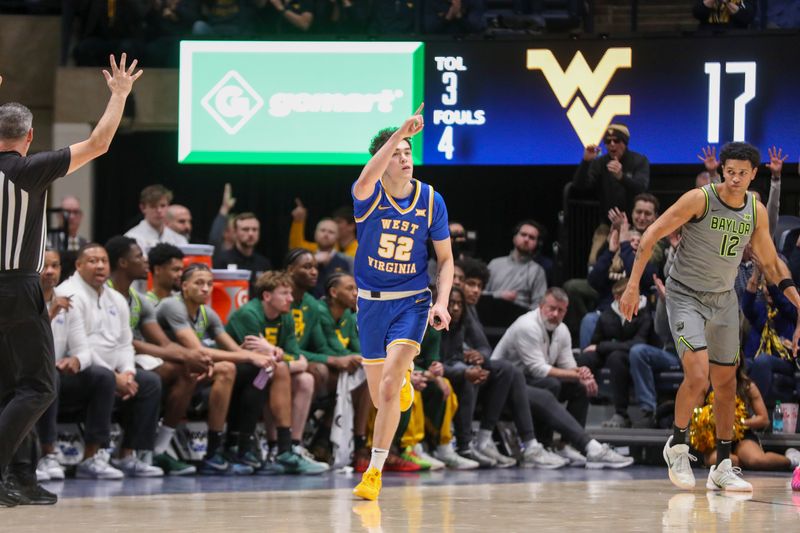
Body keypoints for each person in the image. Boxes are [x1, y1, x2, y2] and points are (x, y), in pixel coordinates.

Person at [0, 55, 141, 507]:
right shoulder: (28, 169)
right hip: (16, 287)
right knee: (39, 387)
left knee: (11, 389)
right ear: (30, 137)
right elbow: (99, 143)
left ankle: (20, 478)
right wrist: (119, 93)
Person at [621, 142, 800, 493]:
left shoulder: (755, 210)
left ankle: (722, 466)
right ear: (722, 171)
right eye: (729, 172)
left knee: (727, 384)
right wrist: (631, 285)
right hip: (685, 294)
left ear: (754, 174)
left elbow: (770, 261)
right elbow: (652, 234)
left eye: (742, 173)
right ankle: (677, 446)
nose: (735, 178)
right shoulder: (699, 199)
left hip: (723, 299)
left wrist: (796, 299)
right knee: (698, 375)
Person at [351, 105, 454, 501]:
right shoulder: (367, 194)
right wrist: (397, 133)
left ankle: (374, 472)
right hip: (371, 305)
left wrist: (441, 303)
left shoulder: (430, 200)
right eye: (396, 153)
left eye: (408, 152)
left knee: (391, 383)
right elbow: (366, 176)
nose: (405, 158)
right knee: (383, 396)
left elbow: (445, 260)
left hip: (412, 302)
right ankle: (403, 380)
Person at [105, 236, 237, 476]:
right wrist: (189, 355)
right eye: (139, 257)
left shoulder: (138, 300)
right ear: (123, 263)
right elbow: (126, 342)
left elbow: (163, 343)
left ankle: (159, 449)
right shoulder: (107, 295)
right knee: (155, 379)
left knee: (186, 371)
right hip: (103, 358)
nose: (144, 261)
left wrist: (192, 358)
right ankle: (125, 451)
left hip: (131, 358)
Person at [491, 288, 634, 468]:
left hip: (529, 380)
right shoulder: (526, 326)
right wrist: (576, 374)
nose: (555, 314)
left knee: (579, 388)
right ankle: (544, 444)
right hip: (503, 386)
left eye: (560, 310)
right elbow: (538, 369)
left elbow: (568, 365)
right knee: (550, 384)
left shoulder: (562, 330)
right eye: (551, 308)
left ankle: (565, 446)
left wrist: (583, 375)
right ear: (541, 306)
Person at [59, 243, 164, 478]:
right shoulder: (69, 294)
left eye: (104, 261)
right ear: (78, 265)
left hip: (111, 372)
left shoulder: (115, 298)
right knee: (104, 378)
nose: (100, 266)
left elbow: (125, 343)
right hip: (74, 371)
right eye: (93, 261)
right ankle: (91, 458)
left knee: (150, 382)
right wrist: (115, 377)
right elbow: (80, 346)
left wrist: (128, 373)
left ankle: (127, 455)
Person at [36, 249, 123, 481]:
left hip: (57, 375)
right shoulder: (21, 302)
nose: (50, 272)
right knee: (49, 376)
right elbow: (25, 345)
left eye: (55, 266)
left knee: (103, 377)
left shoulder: (66, 301)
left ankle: (91, 457)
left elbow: (84, 350)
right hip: (25, 376)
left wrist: (76, 360)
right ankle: (47, 455)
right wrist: (50, 314)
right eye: (44, 266)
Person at [699, 359, 799, 472]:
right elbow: (695, 414)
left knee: (756, 460)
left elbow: (764, 419)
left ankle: (792, 460)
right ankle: (741, 462)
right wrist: (709, 421)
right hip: (714, 438)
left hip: (741, 435)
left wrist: (738, 423)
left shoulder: (747, 385)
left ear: (739, 362)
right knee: (722, 460)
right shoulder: (706, 384)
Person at [572, 124, 650, 225]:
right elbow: (579, 186)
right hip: (607, 223)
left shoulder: (639, 160)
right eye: (608, 141)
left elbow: (641, 188)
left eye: (616, 140)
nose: (612, 144)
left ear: (624, 143)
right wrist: (585, 162)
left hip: (635, 223)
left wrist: (621, 177)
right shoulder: (600, 163)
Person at [484, 220, 548, 310]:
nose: (526, 239)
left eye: (532, 237)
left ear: (537, 244)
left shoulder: (538, 271)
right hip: (489, 313)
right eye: (523, 235)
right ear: (514, 238)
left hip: (520, 316)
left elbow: (538, 306)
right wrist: (499, 295)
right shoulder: (495, 264)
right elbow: (479, 294)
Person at [213, 212, 272, 295]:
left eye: (254, 229)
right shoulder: (221, 260)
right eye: (245, 229)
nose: (251, 234)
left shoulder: (264, 263)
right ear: (235, 232)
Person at [124, 184, 187, 255]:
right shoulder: (132, 238)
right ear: (143, 208)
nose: (159, 211)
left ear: (168, 206)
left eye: (163, 206)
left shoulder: (179, 240)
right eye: (153, 206)